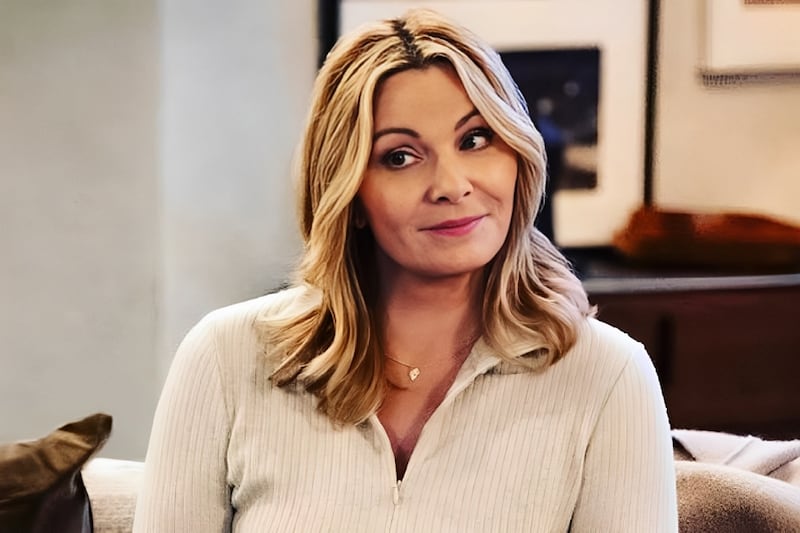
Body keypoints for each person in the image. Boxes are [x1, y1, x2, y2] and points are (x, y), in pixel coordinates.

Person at [134, 8, 677, 532]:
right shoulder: (224, 359)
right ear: (349, 193)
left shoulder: (609, 376)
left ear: (518, 155)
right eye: (400, 156)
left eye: (474, 139)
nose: (452, 186)